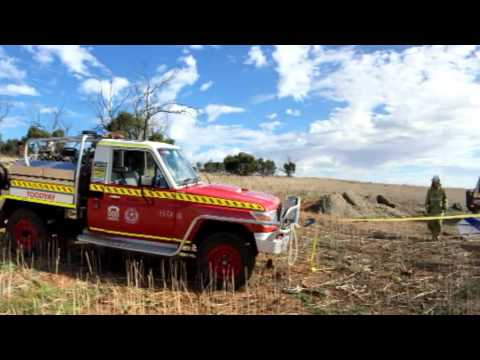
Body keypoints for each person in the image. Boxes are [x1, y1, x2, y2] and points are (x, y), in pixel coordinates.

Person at [425, 175, 448, 241]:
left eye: (435, 181)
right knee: (430, 224)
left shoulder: (442, 190)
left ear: (438, 181)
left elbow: (445, 199)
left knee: (438, 224)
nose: (434, 182)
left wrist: (445, 205)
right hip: (431, 210)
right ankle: (433, 235)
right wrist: (427, 207)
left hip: (439, 210)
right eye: (433, 181)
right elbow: (427, 200)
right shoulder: (429, 191)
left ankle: (436, 236)